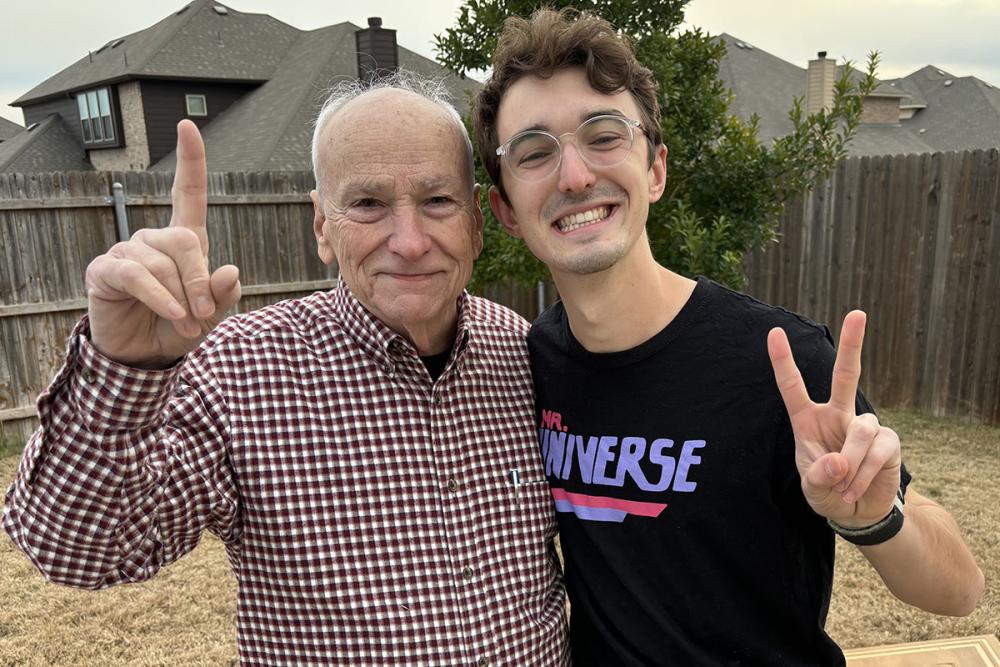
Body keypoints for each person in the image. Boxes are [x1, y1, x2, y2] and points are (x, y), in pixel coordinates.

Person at [3, 73, 570, 666]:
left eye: (437, 200)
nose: (409, 240)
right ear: (323, 226)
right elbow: (77, 552)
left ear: (476, 220)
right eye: (368, 204)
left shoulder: (524, 355)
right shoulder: (240, 373)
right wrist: (123, 367)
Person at [475, 9, 985, 665]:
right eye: (535, 152)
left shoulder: (783, 362)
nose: (574, 175)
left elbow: (962, 589)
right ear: (506, 210)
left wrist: (873, 516)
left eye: (604, 135)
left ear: (655, 170)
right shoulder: (528, 364)